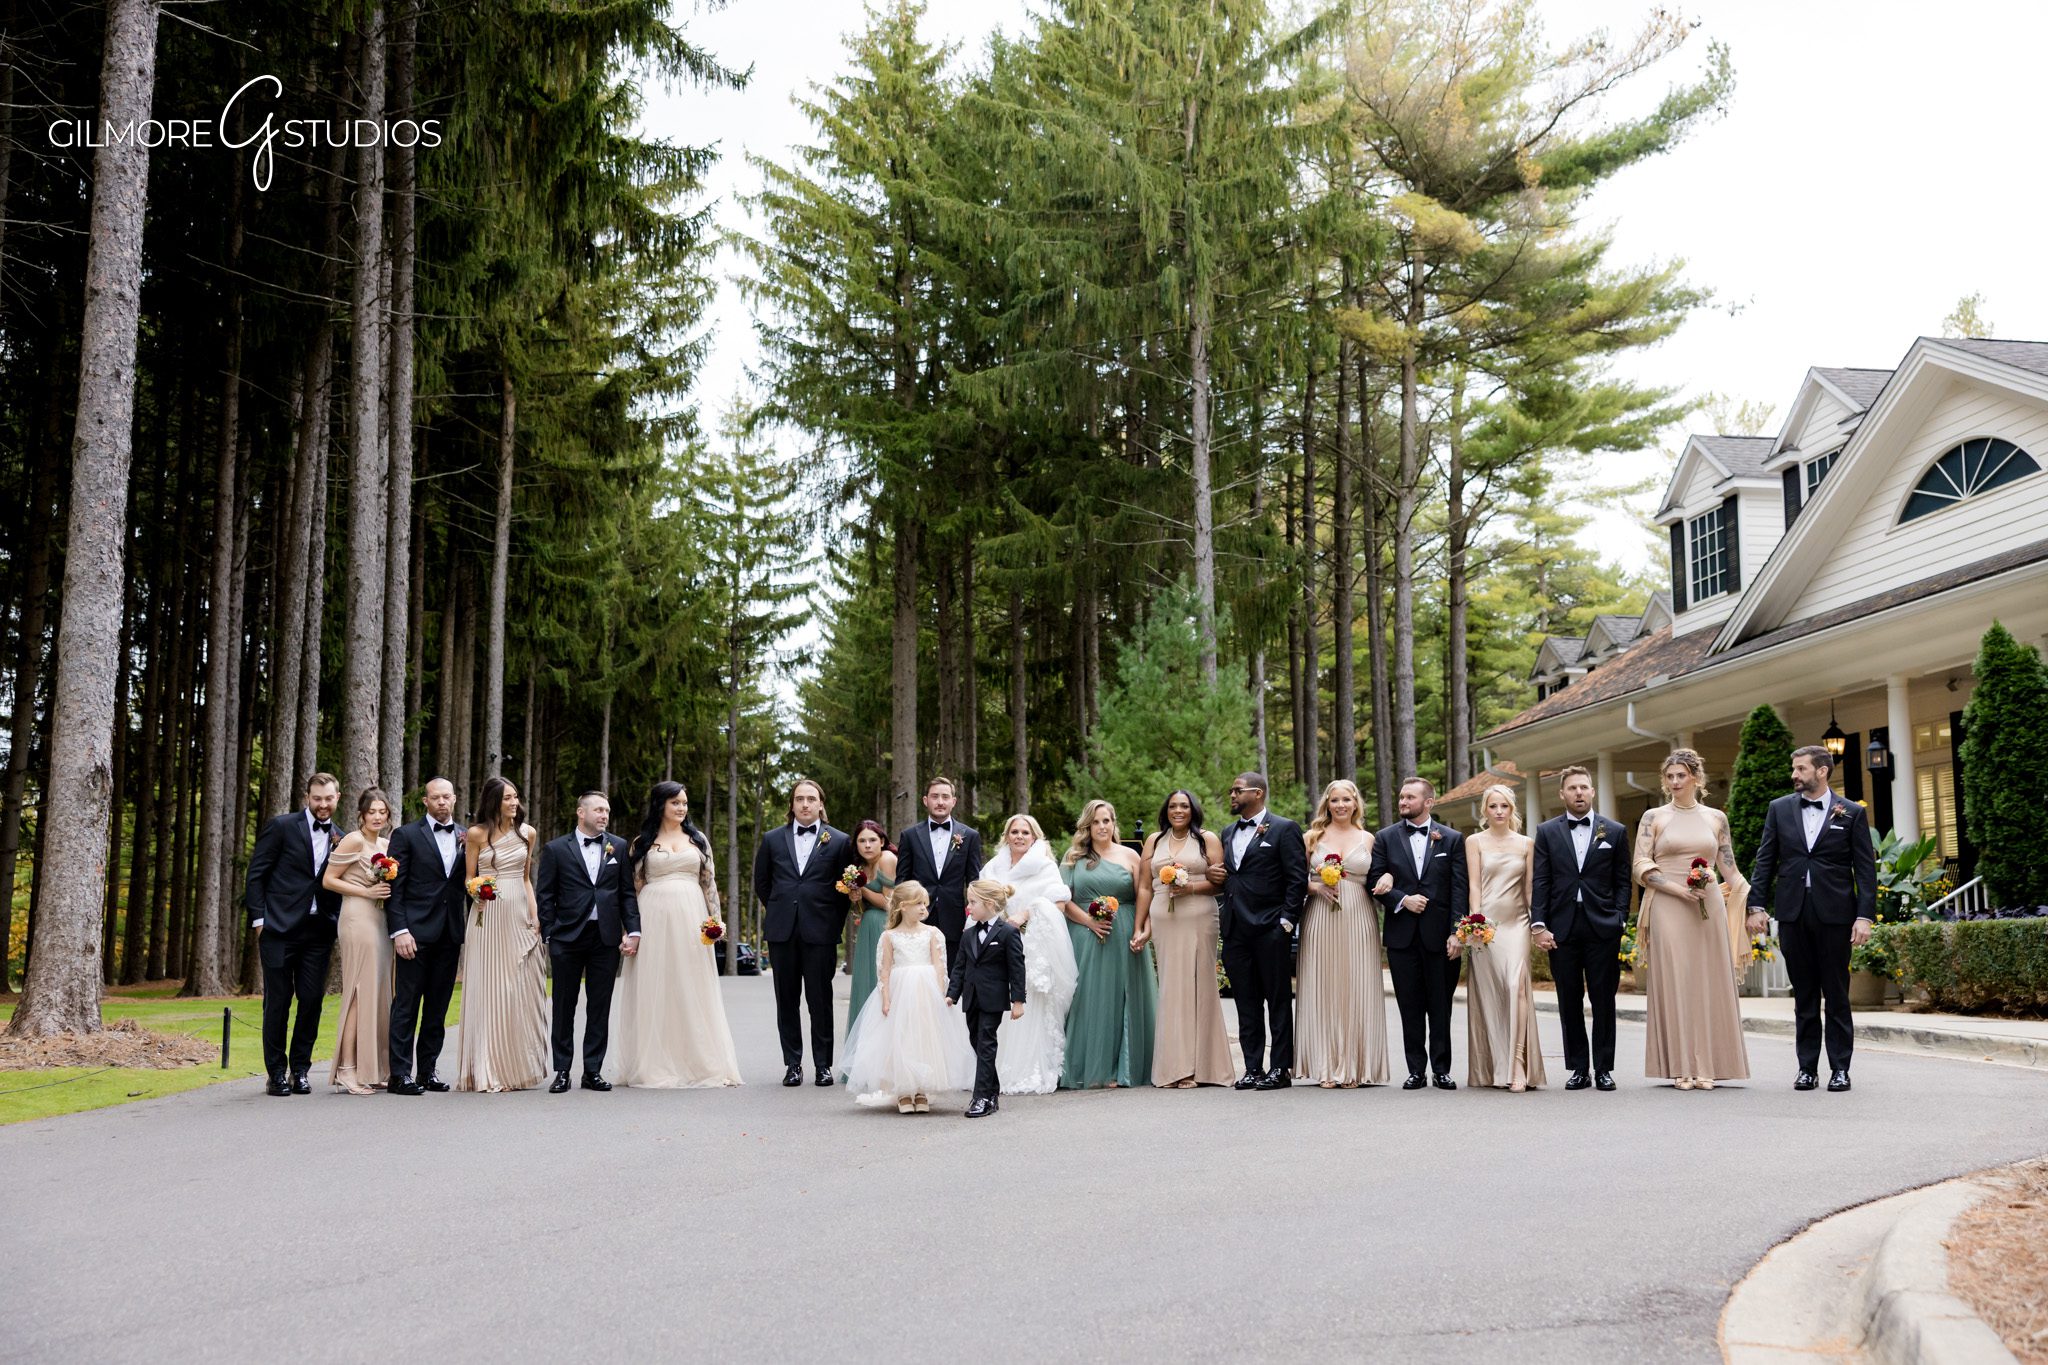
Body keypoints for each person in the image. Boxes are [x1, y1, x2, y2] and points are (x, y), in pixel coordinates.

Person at [1747, 743, 1877, 1092]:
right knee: (1803, 995)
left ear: (1822, 771)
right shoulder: (1779, 809)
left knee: (1836, 994)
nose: (1794, 775)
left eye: (1801, 769)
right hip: (1792, 913)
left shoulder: (1850, 812)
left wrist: (1864, 916)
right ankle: (1807, 1068)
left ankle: (1840, 1069)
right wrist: (1756, 906)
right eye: (1794, 769)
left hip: (1835, 915)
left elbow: (1865, 870)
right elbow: (1765, 861)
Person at [611, 781, 743, 1088]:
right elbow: (633, 888)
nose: (681, 808)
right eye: (675, 803)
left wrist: (716, 922)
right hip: (653, 915)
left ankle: (698, 1061)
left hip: (691, 915)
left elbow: (709, 883)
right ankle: (653, 1062)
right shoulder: (642, 842)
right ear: (661, 805)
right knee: (655, 984)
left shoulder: (698, 840)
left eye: (684, 803)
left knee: (690, 984)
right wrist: (630, 931)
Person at [1633, 748, 1750, 1090]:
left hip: (1707, 903)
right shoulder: (1653, 817)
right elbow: (1641, 864)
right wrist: (1675, 890)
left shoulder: (1716, 818)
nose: (1674, 782)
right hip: (1668, 903)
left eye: (1681, 775)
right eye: (1669, 776)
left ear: (1696, 778)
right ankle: (1682, 1066)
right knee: (1677, 979)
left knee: (1707, 980)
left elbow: (1728, 867)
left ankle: (1708, 1066)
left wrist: (1751, 900)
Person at [534, 791, 641, 1093]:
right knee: (564, 1005)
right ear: (581, 812)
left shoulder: (618, 847)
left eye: (606, 810)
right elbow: (545, 894)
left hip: (604, 937)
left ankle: (592, 1070)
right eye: (598, 810)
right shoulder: (556, 849)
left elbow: (626, 894)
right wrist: (550, 932)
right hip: (566, 937)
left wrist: (633, 930)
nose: (604, 815)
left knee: (599, 1006)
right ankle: (563, 1070)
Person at [1531, 765, 1629, 1092]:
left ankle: (1603, 1068)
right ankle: (1578, 1068)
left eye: (1584, 787)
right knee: (1568, 1000)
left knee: (1603, 1000)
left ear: (1592, 791)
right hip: (1561, 928)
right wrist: (1540, 924)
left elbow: (1622, 881)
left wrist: (1619, 918)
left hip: (1603, 927)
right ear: (1562, 794)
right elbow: (1541, 880)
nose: (1578, 793)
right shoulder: (1546, 832)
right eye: (1572, 788)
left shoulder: (1613, 831)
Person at [245, 772, 343, 1096]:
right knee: (277, 1001)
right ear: (307, 797)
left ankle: (300, 1070)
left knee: (312, 1000)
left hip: (318, 931)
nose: (323, 805)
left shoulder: (342, 838)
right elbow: (257, 874)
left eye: (328, 798)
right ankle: (275, 1072)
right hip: (278, 929)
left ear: (337, 798)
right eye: (317, 799)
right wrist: (259, 920)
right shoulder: (282, 827)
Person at [841, 881, 975, 1113]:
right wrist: (885, 998)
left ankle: (921, 1090)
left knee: (923, 1038)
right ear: (903, 906)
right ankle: (902, 1091)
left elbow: (940, 966)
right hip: (900, 991)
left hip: (926, 992)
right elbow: (883, 970)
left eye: (925, 904)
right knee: (901, 1038)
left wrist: (940, 993)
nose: (924, 908)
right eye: (919, 904)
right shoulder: (889, 936)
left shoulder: (933, 933)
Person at [1211, 772, 1308, 1091]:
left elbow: (1296, 878)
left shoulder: (1285, 828)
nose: (1232, 796)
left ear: (1258, 793)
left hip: (1271, 927)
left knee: (1278, 999)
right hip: (1236, 929)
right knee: (1246, 1001)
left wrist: (1286, 921)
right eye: (1231, 791)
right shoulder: (1227, 832)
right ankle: (1253, 1067)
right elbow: (1233, 876)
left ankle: (1280, 1069)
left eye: (1237, 790)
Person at [1369, 776, 1467, 1090]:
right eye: (1401, 797)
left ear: (1428, 802)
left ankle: (1442, 1069)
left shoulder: (1451, 839)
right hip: (1401, 938)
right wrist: (1401, 899)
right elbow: (1375, 881)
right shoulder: (1384, 838)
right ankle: (1415, 1070)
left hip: (1440, 938)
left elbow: (1459, 890)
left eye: (1410, 798)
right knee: (1409, 1005)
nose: (1403, 803)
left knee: (1441, 1006)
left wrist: (1457, 933)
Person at [751, 777, 849, 1087]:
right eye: (799, 799)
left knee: (820, 1001)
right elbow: (762, 883)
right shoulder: (772, 839)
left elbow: (845, 889)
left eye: (810, 799)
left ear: (821, 804)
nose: (805, 804)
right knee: (787, 1001)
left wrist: (829, 922)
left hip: (820, 932)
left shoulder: (839, 840)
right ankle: (793, 1063)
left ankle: (823, 1065)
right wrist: (783, 909)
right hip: (783, 932)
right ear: (792, 805)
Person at [456, 776, 550, 1093]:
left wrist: (535, 917)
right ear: (494, 801)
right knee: (491, 989)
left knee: (517, 990)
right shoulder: (476, 834)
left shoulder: (528, 833)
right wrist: (477, 892)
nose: (514, 803)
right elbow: (469, 878)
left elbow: (526, 879)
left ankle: (515, 1067)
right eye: (508, 798)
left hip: (519, 915)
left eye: (516, 797)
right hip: (488, 917)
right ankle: (487, 1068)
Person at [1295, 779, 1387, 1088]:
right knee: (1323, 985)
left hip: (1359, 914)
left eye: (1346, 799)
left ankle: (1355, 1066)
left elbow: (1378, 876)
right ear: (1327, 804)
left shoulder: (1369, 838)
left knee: (1356, 984)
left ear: (1356, 803)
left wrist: (1387, 876)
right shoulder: (1312, 838)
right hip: (1320, 915)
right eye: (1335, 800)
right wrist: (1315, 886)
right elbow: (1295, 879)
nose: (1341, 805)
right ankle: (1326, 1066)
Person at [1058, 800, 1157, 1089]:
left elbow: (1145, 894)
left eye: (1107, 821)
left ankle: (1123, 1067)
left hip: (1125, 929)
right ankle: (1088, 1066)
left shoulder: (1131, 856)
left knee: (1125, 994)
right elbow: (1063, 899)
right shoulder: (1073, 857)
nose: (1102, 826)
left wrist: (1144, 929)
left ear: (1114, 824)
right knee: (1090, 998)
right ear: (1087, 826)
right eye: (1097, 822)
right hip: (1085, 933)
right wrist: (1088, 923)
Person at [1139, 791, 1233, 1089]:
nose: (1178, 811)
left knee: (1199, 985)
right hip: (1164, 920)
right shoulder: (1153, 840)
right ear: (1165, 811)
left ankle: (1202, 1068)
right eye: (1172, 806)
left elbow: (1222, 883)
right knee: (1171, 988)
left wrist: (1190, 888)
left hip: (1198, 917)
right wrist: (1141, 925)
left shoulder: (1207, 839)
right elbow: (1143, 886)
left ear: (1193, 810)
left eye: (1184, 806)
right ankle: (1173, 1068)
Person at [979, 814, 1078, 1094]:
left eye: (1025, 832)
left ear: (1034, 837)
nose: (1020, 836)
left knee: (1028, 1006)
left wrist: (1026, 914)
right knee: (999, 1003)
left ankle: (1029, 1067)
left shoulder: (1045, 867)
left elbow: (1058, 903)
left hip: (1030, 943)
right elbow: (978, 898)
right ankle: (994, 1068)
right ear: (1007, 835)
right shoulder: (992, 867)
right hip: (996, 942)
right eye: (1014, 831)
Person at [1458, 785, 1545, 1092]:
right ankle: (1495, 1064)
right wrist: (1475, 924)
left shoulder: (1527, 843)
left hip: (1518, 923)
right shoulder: (1474, 841)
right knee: (1492, 992)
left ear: (1512, 810)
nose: (1498, 811)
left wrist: (1537, 925)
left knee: (1516, 985)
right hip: (1487, 926)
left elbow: (1531, 889)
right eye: (1493, 806)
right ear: (1485, 810)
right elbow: (1474, 885)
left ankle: (1518, 1063)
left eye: (1504, 806)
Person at [385, 776, 468, 1095]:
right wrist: (400, 930)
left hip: (449, 933)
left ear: (455, 799)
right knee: (406, 1004)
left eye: (447, 797)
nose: (442, 802)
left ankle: (428, 1071)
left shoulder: (465, 835)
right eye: (436, 798)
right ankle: (400, 1074)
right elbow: (396, 888)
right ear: (426, 801)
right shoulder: (406, 835)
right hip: (414, 933)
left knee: (437, 1006)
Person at [322, 787, 395, 1094]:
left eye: (382, 812)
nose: (377, 817)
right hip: (357, 917)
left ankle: (371, 1068)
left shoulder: (386, 844)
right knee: (357, 991)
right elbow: (328, 879)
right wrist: (366, 892)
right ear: (361, 814)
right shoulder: (354, 839)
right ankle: (346, 1069)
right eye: (372, 812)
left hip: (380, 920)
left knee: (378, 993)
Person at [947, 880, 1028, 1118]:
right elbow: (959, 968)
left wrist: (1018, 1001)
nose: (968, 907)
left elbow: (1017, 968)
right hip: (971, 998)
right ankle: (992, 1090)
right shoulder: (968, 934)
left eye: (973, 902)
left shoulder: (1008, 932)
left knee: (985, 1042)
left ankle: (981, 1096)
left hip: (993, 998)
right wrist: (952, 994)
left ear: (990, 904)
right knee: (976, 1041)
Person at [893, 775, 983, 961]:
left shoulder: (970, 836)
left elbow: (974, 881)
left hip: (955, 918)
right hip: (918, 918)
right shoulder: (909, 836)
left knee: (951, 976)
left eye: (945, 797)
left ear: (954, 801)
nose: (940, 802)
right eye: (935, 796)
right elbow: (902, 881)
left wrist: (973, 915)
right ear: (925, 800)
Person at [841, 820, 898, 1033]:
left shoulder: (887, 858)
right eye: (862, 840)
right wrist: (855, 897)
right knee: (866, 984)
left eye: (872, 840)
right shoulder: (860, 867)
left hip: (886, 927)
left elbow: (889, 904)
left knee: (882, 984)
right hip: (867, 927)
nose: (867, 845)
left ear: (882, 841)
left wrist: (861, 888)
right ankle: (863, 1048)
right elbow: (861, 908)